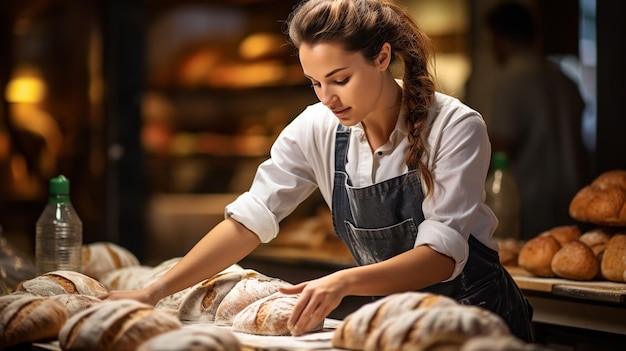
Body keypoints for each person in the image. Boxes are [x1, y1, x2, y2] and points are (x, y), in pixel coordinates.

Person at [104, 0, 533, 342]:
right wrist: (154, 291)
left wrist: (343, 281)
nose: (328, 97)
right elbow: (249, 221)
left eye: (340, 79)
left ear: (382, 57)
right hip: (395, 321)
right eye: (315, 82)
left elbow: (440, 259)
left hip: (478, 322)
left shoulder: (455, 126)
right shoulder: (317, 127)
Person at [485, 1, 591, 240]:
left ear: (503, 39)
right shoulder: (565, 81)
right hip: (573, 198)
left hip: (528, 204)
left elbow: (501, 148)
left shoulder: (511, 83)